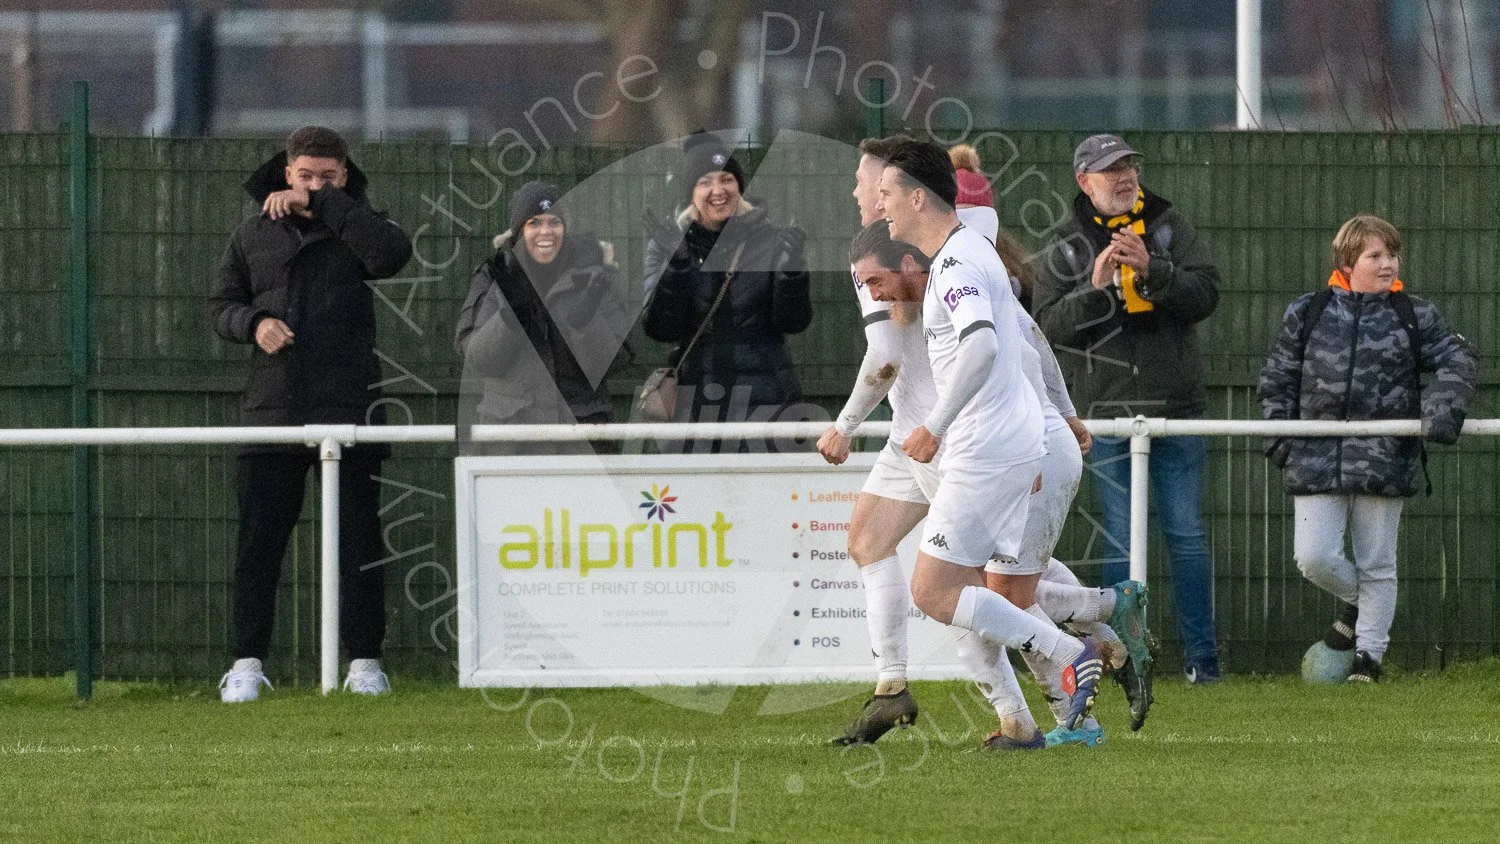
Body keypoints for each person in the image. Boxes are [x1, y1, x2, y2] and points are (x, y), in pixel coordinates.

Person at [868, 138, 1104, 749]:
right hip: (1006, 442)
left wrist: (934, 425)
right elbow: (1026, 342)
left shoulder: (955, 262)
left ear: (918, 197)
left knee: (935, 591)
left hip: (984, 444)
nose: (881, 205)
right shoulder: (972, 251)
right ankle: (1056, 672)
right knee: (967, 589)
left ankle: (1071, 650)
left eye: (888, 194)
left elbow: (982, 346)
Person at [207, 126, 412, 702]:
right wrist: (254, 325)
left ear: (344, 176)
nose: (314, 184)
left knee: (358, 544)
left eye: (328, 177)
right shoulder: (251, 234)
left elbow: (391, 256)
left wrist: (324, 205)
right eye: (305, 176)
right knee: (259, 545)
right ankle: (247, 664)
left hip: (349, 406)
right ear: (286, 170)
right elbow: (220, 306)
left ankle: (365, 664)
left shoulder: (365, 226)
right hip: (272, 411)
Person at [1031, 133, 1225, 683]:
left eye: (1129, 167)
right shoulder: (1067, 247)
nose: (1124, 177)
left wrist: (1155, 271)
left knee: (1186, 534)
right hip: (1108, 414)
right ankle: (1122, 661)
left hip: (1175, 409)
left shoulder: (1168, 227)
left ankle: (1202, 664)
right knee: (1118, 534)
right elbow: (1045, 331)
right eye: (1110, 170)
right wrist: (1095, 291)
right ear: (1083, 182)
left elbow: (1207, 296)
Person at [1259, 214, 1475, 682]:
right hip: (1315, 456)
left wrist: (1439, 414)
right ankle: (1358, 605)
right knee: (1313, 557)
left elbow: (1456, 360)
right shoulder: (1307, 311)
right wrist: (1280, 441)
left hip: (1385, 456)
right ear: (1347, 260)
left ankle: (1368, 660)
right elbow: (1278, 380)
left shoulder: (1416, 314)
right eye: (1375, 255)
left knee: (1378, 561)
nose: (1387, 264)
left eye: (1392, 255)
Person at [641, 131, 814, 453]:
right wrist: (676, 268)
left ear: (739, 185)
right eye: (705, 181)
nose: (718, 191)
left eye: (727, 179)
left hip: (766, 402)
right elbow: (659, 328)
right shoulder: (667, 243)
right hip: (695, 406)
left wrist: (792, 272)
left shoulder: (771, 240)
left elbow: (793, 322)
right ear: (691, 192)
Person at [454, 181, 631, 455]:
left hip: (583, 443)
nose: (545, 232)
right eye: (534, 223)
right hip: (511, 444)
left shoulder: (594, 275)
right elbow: (478, 360)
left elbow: (618, 360)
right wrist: (510, 319)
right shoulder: (493, 277)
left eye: (554, 222)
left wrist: (585, 323)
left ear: (565, 227)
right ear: (518, 230)